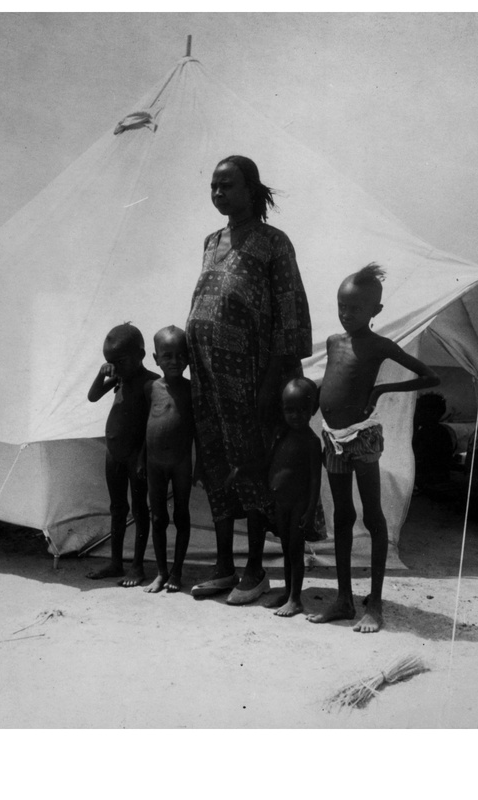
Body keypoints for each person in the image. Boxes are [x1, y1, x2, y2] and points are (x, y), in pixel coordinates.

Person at [186, 155, 312, 605]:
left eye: (227, 186)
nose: (219, 194)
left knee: (252, 465)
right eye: (214, 187)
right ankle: (223, 566)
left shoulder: (274, 243)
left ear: (251, 189)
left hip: (251, 378)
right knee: (217, 465)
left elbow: (289, 316)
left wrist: (270, 385)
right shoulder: (210, 240)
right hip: (208, 379)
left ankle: (255, 570)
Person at [307, 264, 440, 632]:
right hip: (333, 440)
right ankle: (344, 600)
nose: (346, 314)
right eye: (341, 306)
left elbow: (431, 376)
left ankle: (375, 604)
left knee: (374, 517)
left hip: (362, 439)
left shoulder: (379, 345)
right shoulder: (335, 343)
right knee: (342, 518)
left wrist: (380, 391)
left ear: (375, 312)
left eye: (355, 309)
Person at [86, 323, 159, 587]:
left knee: (140, 511)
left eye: (120, 361)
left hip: (135, 457)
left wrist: (142, 458)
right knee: (117, 509)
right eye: (110, 362)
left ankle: (137, 567)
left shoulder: (150, 383)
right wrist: (101, 373)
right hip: (113, 454)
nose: (115, 366)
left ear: (140, 355)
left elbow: (153, 426)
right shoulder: (120, 378)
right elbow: (93, 396)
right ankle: (116, 562)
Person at [142, 326, 196, 594]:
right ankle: (161, 572)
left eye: (180, 355)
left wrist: (200, 467)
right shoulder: (151, 388)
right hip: (154, 464)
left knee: (181, 515)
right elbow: (144, 427)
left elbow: (199, 430)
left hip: (181, 463)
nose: (175, 362)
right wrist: (141, 460)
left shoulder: (192, 390)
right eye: (167, 356)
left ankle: (177, 571)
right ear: (155, 358)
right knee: (157, 517)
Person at [264, 377, 322, 617]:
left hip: (298, 505)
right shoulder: (282, 436)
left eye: (301, 410)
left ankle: (296, 599)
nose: (295, 416)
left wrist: (309, 511)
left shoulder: (311, 442)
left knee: (295, 552)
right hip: (281, 504)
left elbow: (315, 480)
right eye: (289, 410)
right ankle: (288, 592)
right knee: (286, 550)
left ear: (312, 410)